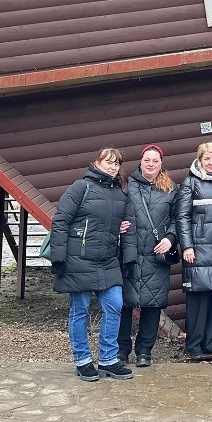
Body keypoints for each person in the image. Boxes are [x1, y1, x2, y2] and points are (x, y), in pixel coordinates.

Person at [49, 148, 134, 382]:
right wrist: (59, 258)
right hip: (79, 259)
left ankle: (108, 359)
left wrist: (124, 245)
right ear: (97, 163)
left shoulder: (120, 193)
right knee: (80, 310)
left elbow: (123, 224)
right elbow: (61, 221)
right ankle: (83, 361)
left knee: (115, 305)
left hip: (108, 260)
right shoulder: (80, 187)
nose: (113, 167)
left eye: (117, 163)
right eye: (108, 162)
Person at [119, 144, 177, 368]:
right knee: (124, 304)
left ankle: (144, 350)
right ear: (140, 162)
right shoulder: (126, 184)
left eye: (155, 161)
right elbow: (113, 210)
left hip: (155, 254)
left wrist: (171, 238)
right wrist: (117, 226)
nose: (151, 164)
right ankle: (122, 350)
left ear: (161, 164)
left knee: (152, 305)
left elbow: (177, 219)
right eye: (147, 160)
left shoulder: (170, 188)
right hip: (129, 252)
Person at [177, 141, 212, 359]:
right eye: (206, 158)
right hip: (198, 249)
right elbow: (182, 216)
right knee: (198, 298)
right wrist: (187, 246)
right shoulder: (190, 183)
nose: (211, 162)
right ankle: (194, 344)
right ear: (199, 161)